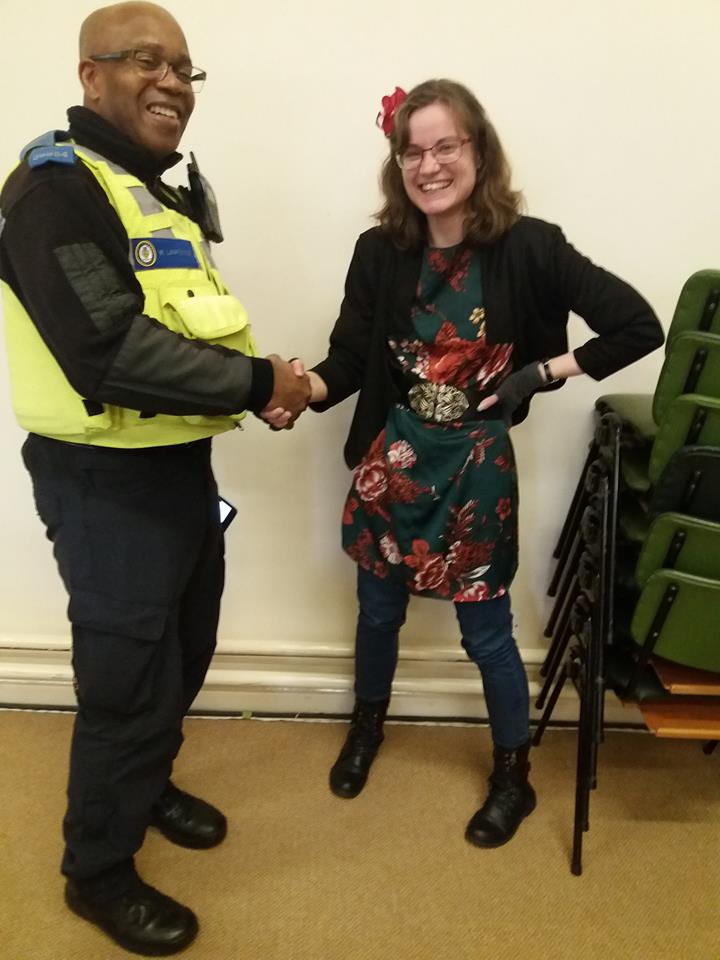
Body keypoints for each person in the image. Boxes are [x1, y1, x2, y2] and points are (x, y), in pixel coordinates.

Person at [270, 79, 664, 848]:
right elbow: (348, 358)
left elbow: (637, 325)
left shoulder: (531, 246)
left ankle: (513, 775)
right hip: (394, 459)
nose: (429, 165)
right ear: (398, 165)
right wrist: (298, 389)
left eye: (445, 145)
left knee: (485, 632)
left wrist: (540, 373)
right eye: (412, 151)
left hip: (476, 470)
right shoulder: (379, 252)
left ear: (478, 150)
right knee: (377, 612)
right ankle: (367, 726)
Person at [0, 2, 309, 955]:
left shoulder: (152, 192)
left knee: (184, 647)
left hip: (177, 467)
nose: (172, 82)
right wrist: (260, 383)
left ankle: (147, 783)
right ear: (90, 76)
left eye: (184, 68)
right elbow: (108, 350)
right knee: (126, 679)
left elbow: (186, 326)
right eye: (146, 61)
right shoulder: (54, 189)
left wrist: (261, 383)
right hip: (102, 483)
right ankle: (96, 873)